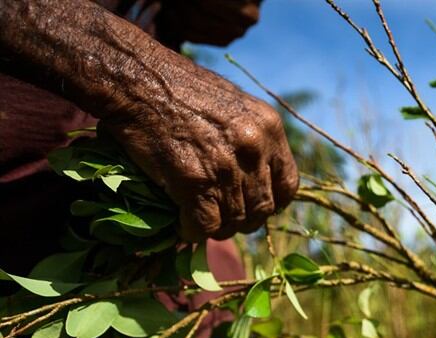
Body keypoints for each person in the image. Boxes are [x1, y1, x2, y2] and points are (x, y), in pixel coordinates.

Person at [0, 0, 298, 284]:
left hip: (68, 258)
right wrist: (146, 87)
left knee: (222, 276)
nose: (253, 16)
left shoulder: (160, 26)